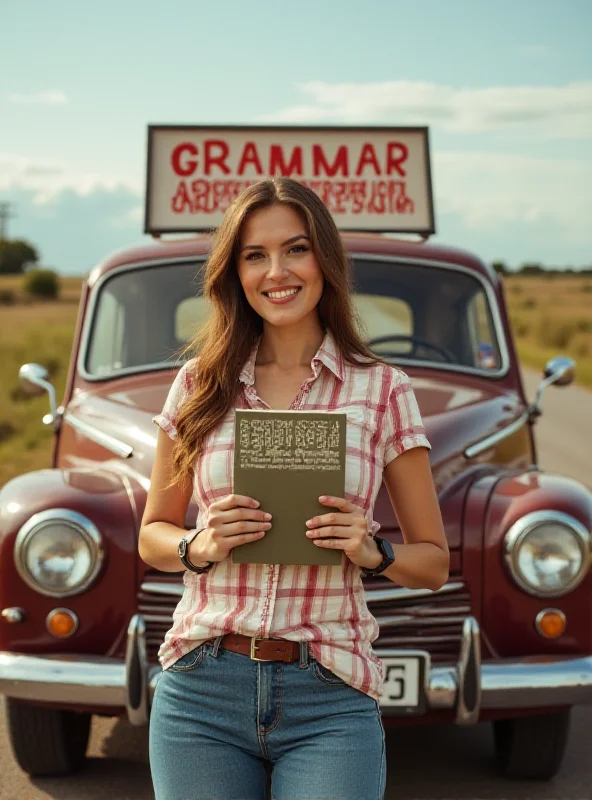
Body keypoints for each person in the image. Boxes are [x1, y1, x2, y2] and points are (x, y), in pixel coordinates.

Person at [139, 177, 449, 800]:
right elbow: (152, 536)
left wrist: (374, 552)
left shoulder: (384, 389)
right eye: (255, 255)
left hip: (329, 692)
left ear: (325, 261)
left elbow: (434, 562)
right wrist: (198, 545)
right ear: (235, 271)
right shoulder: (198, 384)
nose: (276, 271)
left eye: (296, 249)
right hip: (202, 686)